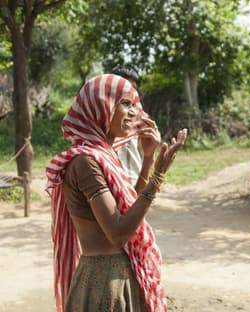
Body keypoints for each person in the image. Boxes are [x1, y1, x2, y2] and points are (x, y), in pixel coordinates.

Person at [46, 74, 187, 312]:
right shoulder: (85, 162)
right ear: (102, 105)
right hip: (104, 284)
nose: (133, 112)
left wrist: (149, 158)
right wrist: (158, 175)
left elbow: (127, 207)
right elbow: (118, 233)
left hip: (116, 276)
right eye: (125, 103)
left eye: (134, 104)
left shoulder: (103, 156)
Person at [110, 67, 153, 192]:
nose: (131, 92)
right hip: (111, 191)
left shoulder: (142, 120)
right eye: (125, 87)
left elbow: (145, 154)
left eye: (133, 88)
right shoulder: (99, 122)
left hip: (136, 186)